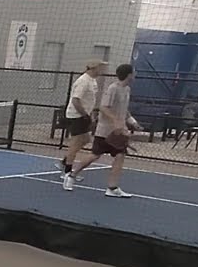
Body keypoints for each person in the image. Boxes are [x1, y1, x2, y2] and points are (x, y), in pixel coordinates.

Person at [64, 62, 141, 197]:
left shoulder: (127, 89)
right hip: (105, 131)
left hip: (118, 133)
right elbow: (104, 107)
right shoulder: (112, 88)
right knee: (95, 155)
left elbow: (123, 109)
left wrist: (132, 122)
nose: (135, 74)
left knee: (120, 156)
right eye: (134, 72)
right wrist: (115, 120)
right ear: (129, 75)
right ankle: (72, 175)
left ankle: (112, 188)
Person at [57, 59, 107, 180]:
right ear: (94, 67)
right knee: (75, 143)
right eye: (100, 67)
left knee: (86, 139)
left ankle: (64, 161)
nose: (102, 70)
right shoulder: (83, 81)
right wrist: (84, 114)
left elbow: (90, 100)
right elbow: (76, 100)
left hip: (84, 115)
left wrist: (91, 114)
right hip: (76, 116)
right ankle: (67, 172)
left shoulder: (92, 81)